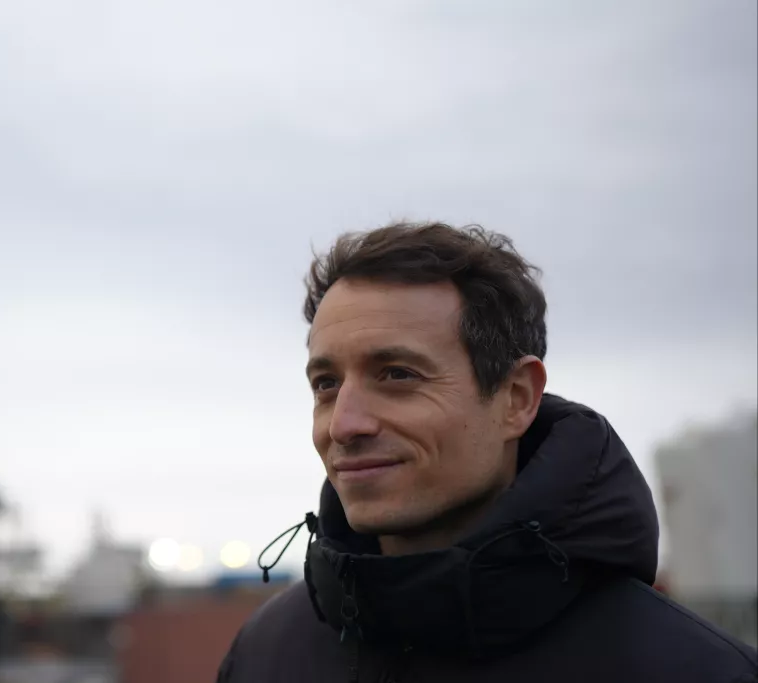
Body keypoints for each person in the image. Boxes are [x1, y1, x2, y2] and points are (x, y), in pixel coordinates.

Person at [216, 223, 757, 683]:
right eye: (326, 384)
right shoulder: (264, 655)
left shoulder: (693, 670)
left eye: (397, 375)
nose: (344, 424)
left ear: (516, 399)